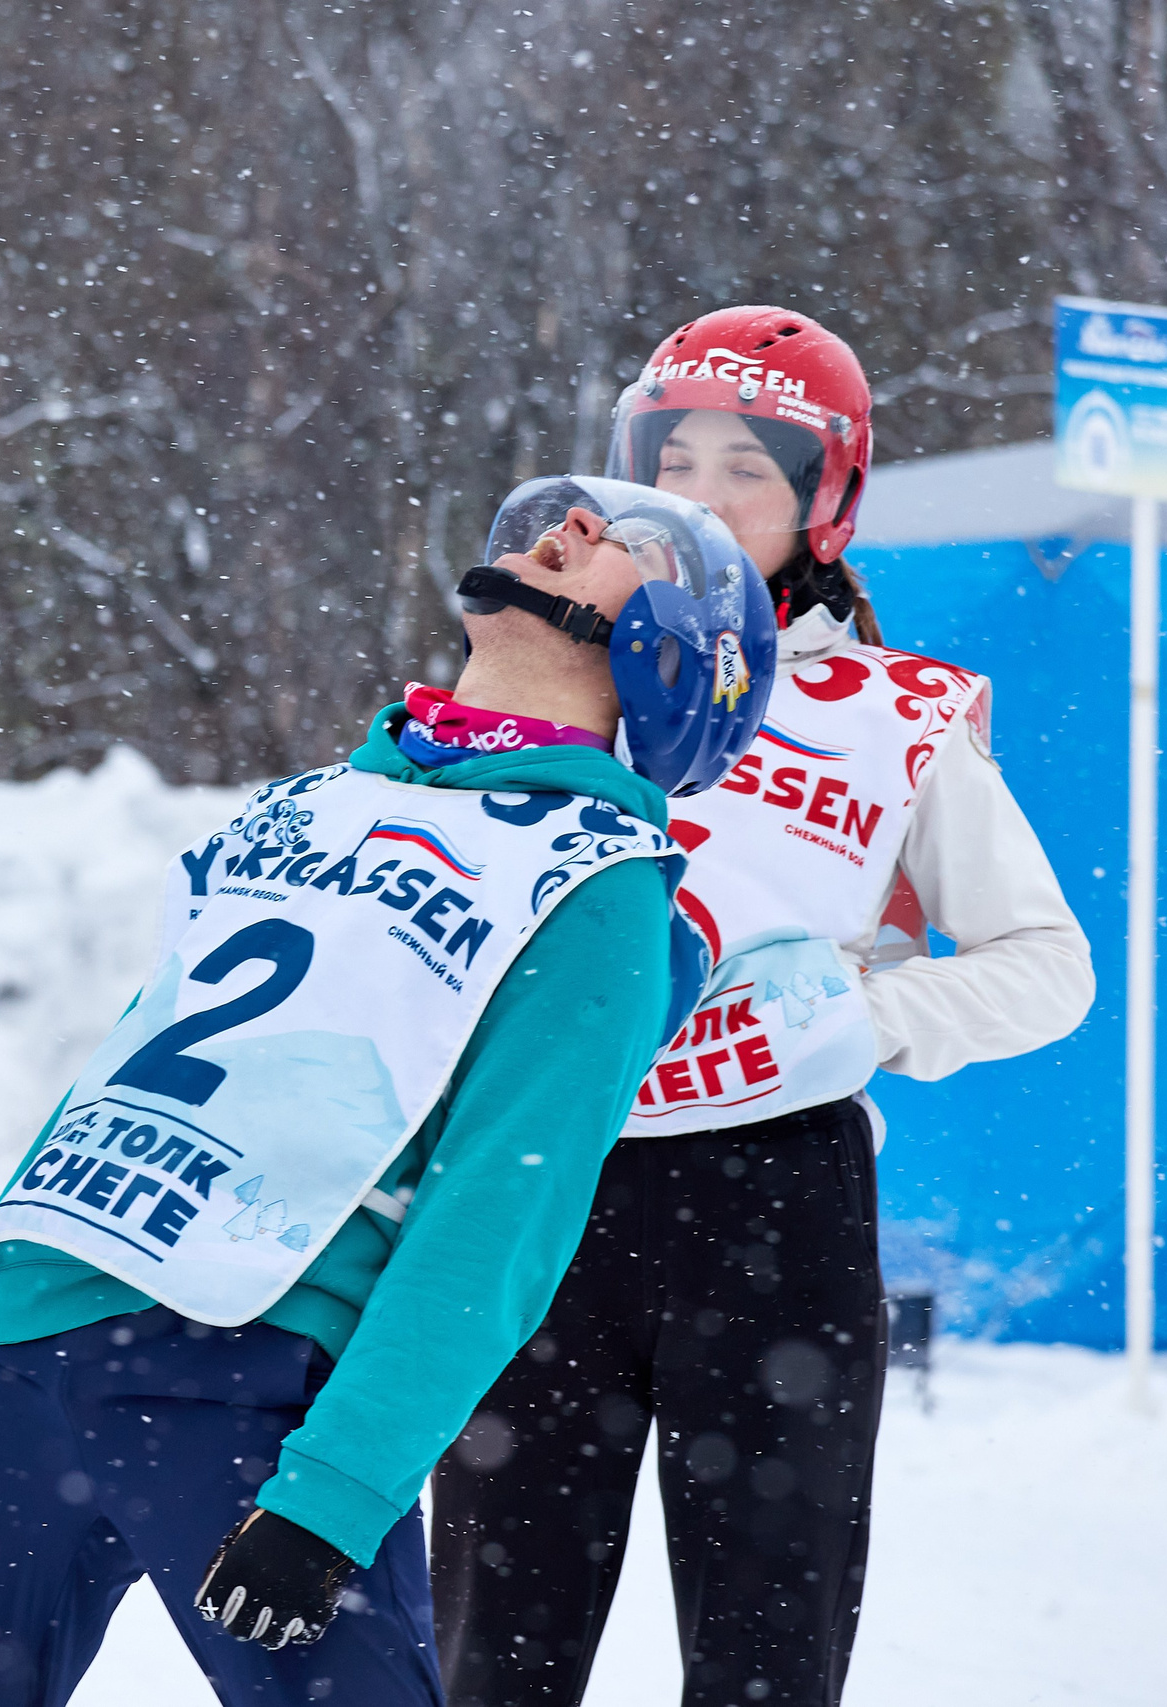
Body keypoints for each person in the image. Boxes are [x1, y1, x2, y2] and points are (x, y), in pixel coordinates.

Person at [0, 476, 777, 1707]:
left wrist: (342, 1490)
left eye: (625, 544)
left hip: (249, 1385)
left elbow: (495, 1224)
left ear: (673, 657)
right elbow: (103, 1097)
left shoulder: (598, 887)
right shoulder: (305, 808)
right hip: (19, 1360)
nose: (567, 528)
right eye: (562, 518)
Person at [430, 306, 1097, 1707]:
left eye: (748, 466)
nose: (700, 495)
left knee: (767, 1654)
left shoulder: (893, 709)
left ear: (826, 499)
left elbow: (1049, 963)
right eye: (673, 458)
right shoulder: (549, 674)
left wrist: (874, 1015)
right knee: (493, 1649)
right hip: (546, 1184)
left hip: (776, 1206)